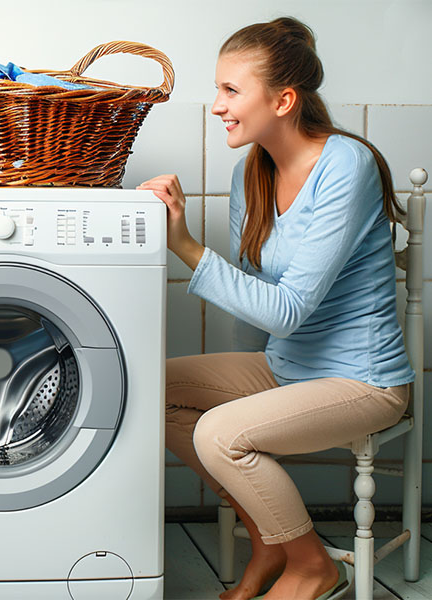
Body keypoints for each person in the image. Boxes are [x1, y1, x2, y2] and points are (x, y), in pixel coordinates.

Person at [137, 17, 412, 600]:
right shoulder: (251, 172)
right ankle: (270, 538)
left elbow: (286, 311)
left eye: (231, 90)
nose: (216, 106)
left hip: (362, 380)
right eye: (219, 90)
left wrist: (185, 245)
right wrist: (250, 388)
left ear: (284, 100)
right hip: (289, 368)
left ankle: (312, 566)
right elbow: (259, 303)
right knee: (146, 388)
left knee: (220, 434)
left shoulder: (346, 165)